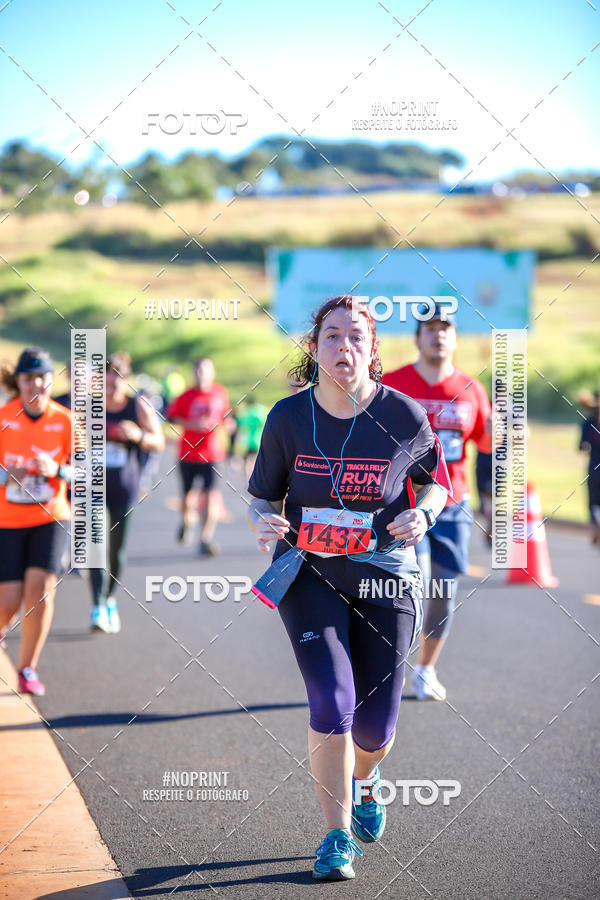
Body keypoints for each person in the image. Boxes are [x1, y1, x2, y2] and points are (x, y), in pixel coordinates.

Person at [247, 296, 450, 881]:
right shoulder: (287, 418)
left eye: (356, 336)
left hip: (384, 574)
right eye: (332, 336)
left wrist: (424, 514)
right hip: (309, 573)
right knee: (331, 703)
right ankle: (335, 836)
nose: (344, 346)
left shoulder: (402, 414)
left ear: (373, 348)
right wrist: (262, 521)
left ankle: (367, 778)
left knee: (375, 728)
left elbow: (436, 483)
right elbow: (262, 496)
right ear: (314, 348)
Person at [383, 304, 492, 701]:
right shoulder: (392, 384)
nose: (438, 335)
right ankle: (388, 665)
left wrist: (510, 434)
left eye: (445, 328)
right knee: (416, 580)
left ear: (455, 338)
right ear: (418, 338)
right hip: (402, 504)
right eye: (429, 328)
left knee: (444, 590)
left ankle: (425, 669)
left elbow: (486, 442)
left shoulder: (471, 389)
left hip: (452, 504)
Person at [0, 348, 73, 694]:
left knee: (40, 593)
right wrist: (6, 476)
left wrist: (57, 470)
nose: (35, 385)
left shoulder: (66, 421)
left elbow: (89, 472)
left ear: (50, 380)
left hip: (50, 517)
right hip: (7, 519)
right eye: (28, 378)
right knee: (8, 603)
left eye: (42, 377)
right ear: (19, 381)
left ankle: (28, 669)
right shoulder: (4, 417)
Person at [88, 352, 164, 633]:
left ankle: (109, 599)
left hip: (125, 488)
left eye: (116, 382)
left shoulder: (138, 406)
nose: (111, 388)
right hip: (93, 488)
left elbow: (158, 441)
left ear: (126, 381)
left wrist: (137, 435)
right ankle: (97, 606)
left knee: (116, 550)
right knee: (95, 546)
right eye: (106, 382)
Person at [166, 358, 229, 556]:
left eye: (206, 370)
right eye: (199, 370)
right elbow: (171, 417)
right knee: (187, 496)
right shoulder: (185, 396)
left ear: (213, 372)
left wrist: (229, 425)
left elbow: (224, 416)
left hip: (212, 454)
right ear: (194, 373)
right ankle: (186, 522)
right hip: (188, 453)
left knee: (210, 495)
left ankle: (205, 539)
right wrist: (193, 424)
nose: (202, 374)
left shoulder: (220, 393)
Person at [578, 390, 600, 545]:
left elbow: (582, 446)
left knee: (593, 501)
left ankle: (595, 524)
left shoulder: (588, 423)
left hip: (594, 469)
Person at [234, 401, 268, 479]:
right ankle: (254, 476)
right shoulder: (260, 411)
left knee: (248, 459)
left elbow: (240, 423)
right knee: (255, 459)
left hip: (248, 440)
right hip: (257, 439)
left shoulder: (247, 413)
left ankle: (248, 475)